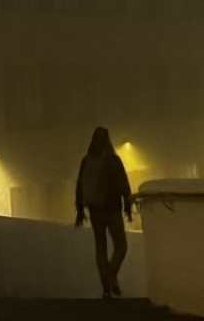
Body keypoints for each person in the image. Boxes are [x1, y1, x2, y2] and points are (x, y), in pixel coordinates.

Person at [74, 125, 135, 299]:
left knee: (100, 247)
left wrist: (80, 209)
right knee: (121, 246)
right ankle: (111, 276)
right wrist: (128, 207)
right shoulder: (113, 160)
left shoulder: (87, 161)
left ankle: (106, 288)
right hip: (113, 209)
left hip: (94, 210)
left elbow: (79, 185)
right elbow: (124, 184)